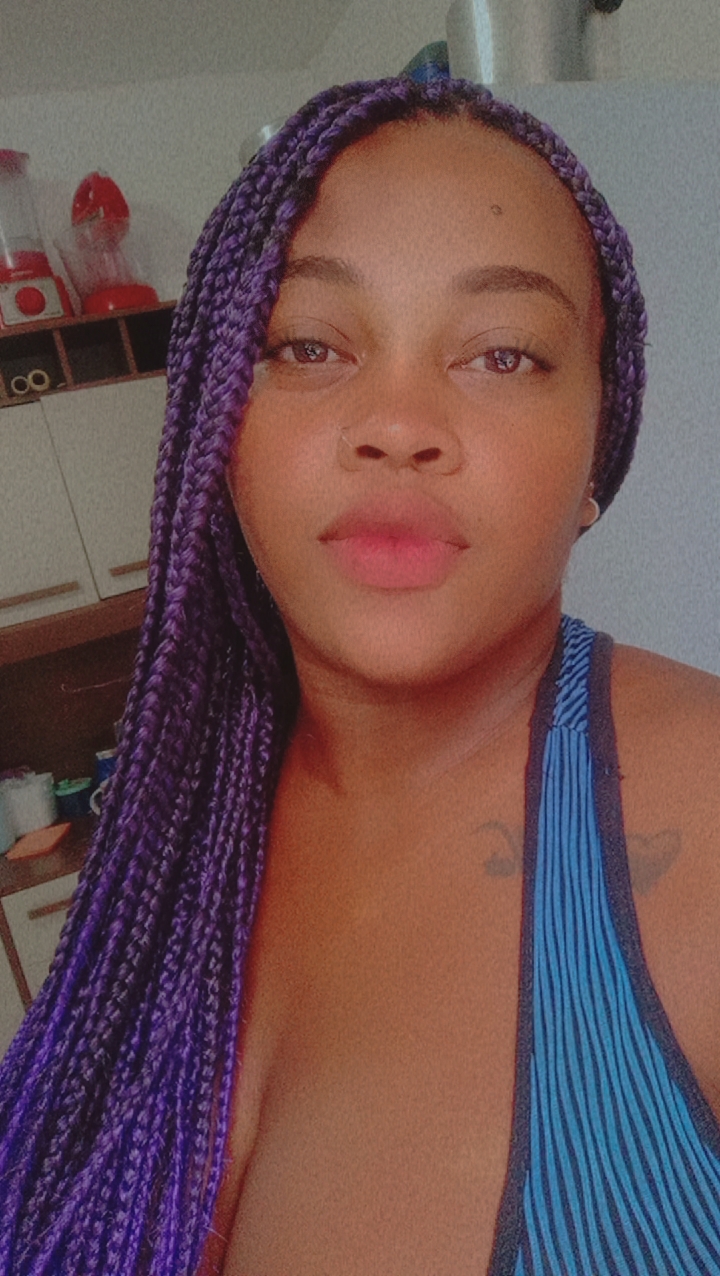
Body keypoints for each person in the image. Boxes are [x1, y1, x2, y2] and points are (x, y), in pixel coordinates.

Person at [1, 75, 719, 1276]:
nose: (397, 421)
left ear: (600, 443)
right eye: (309, 344)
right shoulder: (174, 824)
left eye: (503, 353)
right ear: (216, 426)